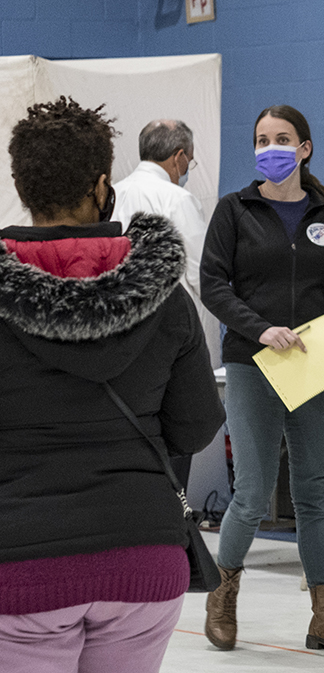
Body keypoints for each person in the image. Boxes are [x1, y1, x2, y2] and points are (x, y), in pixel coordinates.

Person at [0, 97, 224, 673]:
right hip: (143, 556)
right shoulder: (166, 295)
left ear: (21, 187)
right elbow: (197, 424)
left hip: (19, 562)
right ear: (103, 186)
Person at [200, 105, 324, 654]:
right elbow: (214, 286)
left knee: (313, 492)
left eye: (282, 139)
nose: (270, 148)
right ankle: (221, 596)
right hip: (253, 362)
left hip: (315, 361)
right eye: (261, 140)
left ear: (305, 148)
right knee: (250, 491)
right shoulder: (234, 211)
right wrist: (260, 328)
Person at [114, 119, 220, 489]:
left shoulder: (112, 193)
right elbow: (201, 276)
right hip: (171, 341)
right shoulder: (178, 199)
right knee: (176, 442)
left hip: (118, 343)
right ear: (179, 158)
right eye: (189, 162)